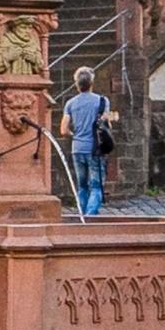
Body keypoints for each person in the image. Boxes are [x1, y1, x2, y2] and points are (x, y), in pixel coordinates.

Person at [59, 65, 109, 221]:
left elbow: (63, 130)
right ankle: (90, 216)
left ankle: (81, 214)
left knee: (82, 186)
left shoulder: (70, 103)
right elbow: (106, 124)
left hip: (77, 148)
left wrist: (75, 134)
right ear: (91, 83)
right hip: (94, 148)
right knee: (96, 185)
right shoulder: (102, 101)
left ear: (76, 84)